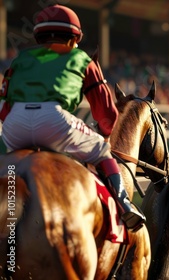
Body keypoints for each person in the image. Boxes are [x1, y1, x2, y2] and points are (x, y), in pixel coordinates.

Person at [0, 5, 145, 232]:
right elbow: (105, 113)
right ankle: (125, 205)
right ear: (73, 38)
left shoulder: (20, 59)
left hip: (14, 124)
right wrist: (105, 134)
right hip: (54, 120)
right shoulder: (81, 58)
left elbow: (3, 109)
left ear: (40, 36)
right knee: (101, 150)